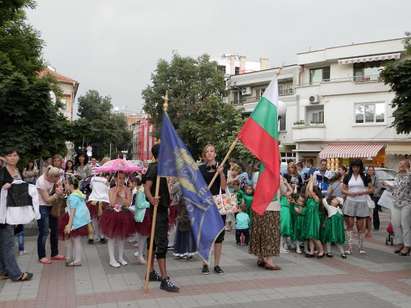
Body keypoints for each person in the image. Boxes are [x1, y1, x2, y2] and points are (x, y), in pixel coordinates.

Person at [143, 144, 179, 292]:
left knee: (153, 240)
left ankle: (150, 272)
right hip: (158, 210)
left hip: (162, 209)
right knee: (161, 242)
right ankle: (164, 279)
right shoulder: (155, 167)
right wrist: (152, 199)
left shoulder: (162, 168)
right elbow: (146, 187)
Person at [0, 149, 33, 281]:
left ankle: (3, 271)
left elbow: (22, 192)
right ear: (5, 158)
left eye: (15, 155)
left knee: (4, 243)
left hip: (15, 212)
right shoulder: (2, 172)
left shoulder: (19, 171)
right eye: (9, 155)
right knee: (8, 244)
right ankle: (16, 274)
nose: (13, 158)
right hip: (4, 212)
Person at [199, 144, 227, 275]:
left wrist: (221, 173)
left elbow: (223, 187)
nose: (210, 153)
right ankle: (205, 263)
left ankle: (217, 265)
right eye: (207, 151)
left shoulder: (221, 167)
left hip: (218, 205)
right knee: (206, 236)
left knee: (219, 236)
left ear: (215, 153)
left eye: (212, 151)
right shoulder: (200, 169)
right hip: (206, 204)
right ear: (204, 155)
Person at [249, 174, 286, 270]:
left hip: (259, 207)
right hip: (272, 208)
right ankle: (269, 260)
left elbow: (254, 189)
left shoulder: (257, 174)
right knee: (271, 234)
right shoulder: (277, 175)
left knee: (260, 232)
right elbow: (284, 191)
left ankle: (260, 257)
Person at [100, 171, 135, 267]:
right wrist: (116, 193)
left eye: (123, 178)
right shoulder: (111, 189)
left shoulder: (127, 189)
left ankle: (120, 257)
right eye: (119, 178)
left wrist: (123, 198)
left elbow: (128, 203)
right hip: (112, 215)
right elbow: (111, 203)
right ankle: (112, 259)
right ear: (115, 179)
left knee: (121, 238)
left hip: (124, 214)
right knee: (111, 237)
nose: (121, 180)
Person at [341, 159, 372, 255]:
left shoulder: (366, 176)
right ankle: (349, 247)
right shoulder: (347, 176)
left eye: (357, 167)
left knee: (360, 226)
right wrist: (350, 193)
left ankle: (361, 247)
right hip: (350, 202)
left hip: (362, 202)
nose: (355, 169)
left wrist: (362, 192)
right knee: (349, 225)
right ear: (351, 167)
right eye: (354, 167)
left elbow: (372, 189)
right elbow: (343, 190)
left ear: (360, 167)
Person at [36, 166, 65, 264]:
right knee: (44, 232)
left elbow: (60, 193)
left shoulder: (56, 178)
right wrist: (57, 194)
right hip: (42, 206)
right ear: (49, 176)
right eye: (55, 179)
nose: (57, 181)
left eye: (58, 178)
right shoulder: (41, 182)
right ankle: (42, 256)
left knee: (55, 229)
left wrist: (61, 192)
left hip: (52, 206)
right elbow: (47, 199)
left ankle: (54, 253)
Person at [60, 175, 91, 266]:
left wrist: (69, 225)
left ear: (71, 185)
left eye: (66, 184)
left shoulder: (73, 197)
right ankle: (71, 257)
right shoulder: (78, 193)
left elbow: (72, 211)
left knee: (76, 240)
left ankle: (77, 260)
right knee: (74, 240)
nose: (64, 185)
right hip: (80, 220)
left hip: (75, 220)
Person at [390, 159, 411, 256]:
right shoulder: (397, 176)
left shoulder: (409, 176)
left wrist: (408, 171)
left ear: (407, 166)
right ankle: (399, 243)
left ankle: (407, 245)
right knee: (395, 224)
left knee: (405, 224)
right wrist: (388, 186)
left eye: (403, 164)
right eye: (400, 164)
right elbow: (396, 187)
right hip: (396, 202)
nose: (400, 166)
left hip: (407, 203)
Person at [172, 181, 197, 259]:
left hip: (187, 211)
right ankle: (184, 251)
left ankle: (186, 251)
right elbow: (174, 199)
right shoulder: (178, 185)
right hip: (183, 210)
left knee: (187, 232)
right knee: (184, 232)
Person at [305, 176, 325, 258]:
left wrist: (312, 179)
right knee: (310, 236)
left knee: (314, 236)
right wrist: (311, 181)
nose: (310, 193)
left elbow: (309, 190)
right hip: (310, 218)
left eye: (312, 192)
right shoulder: (309, 198)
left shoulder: (317, 199)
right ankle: (312, 251)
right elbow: (308, 190)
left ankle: (321, 251)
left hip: (314, 219)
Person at [132, 176, 151, 264]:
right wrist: (150, 203)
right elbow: (139, 204)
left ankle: (141, 254)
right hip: (143, 216)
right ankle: (140, 255)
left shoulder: (143, 190)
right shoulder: (141, 190)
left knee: (142, 237)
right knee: (142, 237)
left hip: (143, 215)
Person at [87, 173, 110, 244]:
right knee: (102, 219)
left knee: (94, 219)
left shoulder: (93, 179)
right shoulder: (106, 181)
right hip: (103, 200)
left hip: (93, 199)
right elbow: (107, 191)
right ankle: (102, 236)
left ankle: (96, 235)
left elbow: (90, 187)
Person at [367, 165, 379, 233]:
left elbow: (378, 187)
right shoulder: (366, 177)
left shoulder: (376, 178)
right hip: (367, 195)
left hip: (374, 196)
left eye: (371, 170)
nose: (370, 171)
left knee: (375, 211)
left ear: (374, 171)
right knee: (367, 211)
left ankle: (376, 225)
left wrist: (374, 192)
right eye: (369, 170)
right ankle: (367, 226)